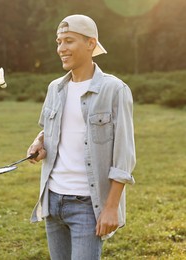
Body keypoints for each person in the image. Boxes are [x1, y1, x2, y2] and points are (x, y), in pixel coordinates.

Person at [27, 14, 136, 260]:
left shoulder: (114, 90)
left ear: (90, 44)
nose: (61, 49)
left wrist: (110, 208)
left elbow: (124, 156)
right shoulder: (55, 88)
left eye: (68, 41)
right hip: (52, 200)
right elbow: (50, 130)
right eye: (58, 42)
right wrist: (39, 142)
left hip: (87, 205)